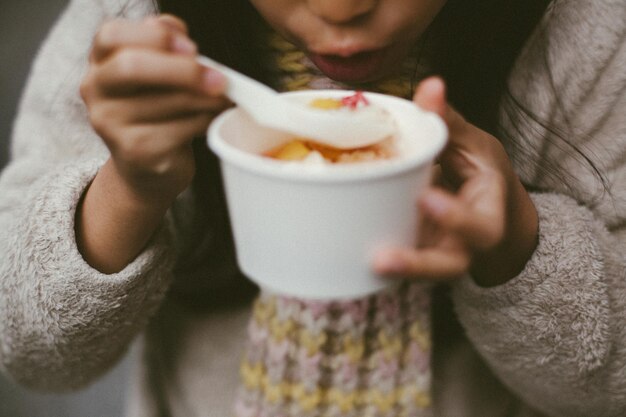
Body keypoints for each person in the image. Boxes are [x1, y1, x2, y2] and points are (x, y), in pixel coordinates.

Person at [0, 0, 624, 416]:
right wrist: (129, 189)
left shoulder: (580, 37)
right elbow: (28, 351)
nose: (340, 6)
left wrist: (518, 248)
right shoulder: (132, 29)